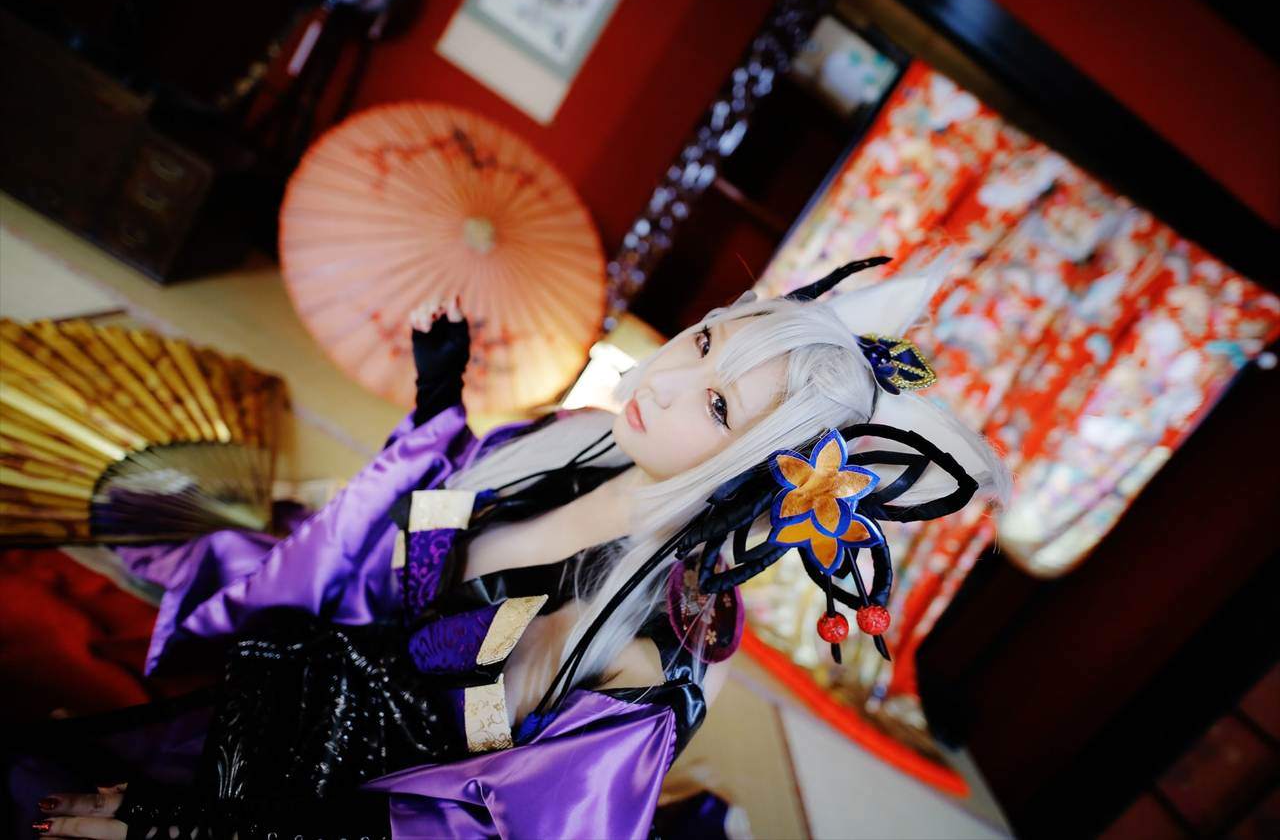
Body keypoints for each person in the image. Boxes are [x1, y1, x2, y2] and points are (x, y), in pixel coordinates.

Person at [24, 256, 1009, 839]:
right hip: (278, 704)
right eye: (707, 343)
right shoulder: (567, 440)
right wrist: (433, 414)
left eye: (717, 408)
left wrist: (184, 827)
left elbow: (463, 830)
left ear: (759, 476)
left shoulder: (644, 662)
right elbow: (387, 577)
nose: (668, 379)